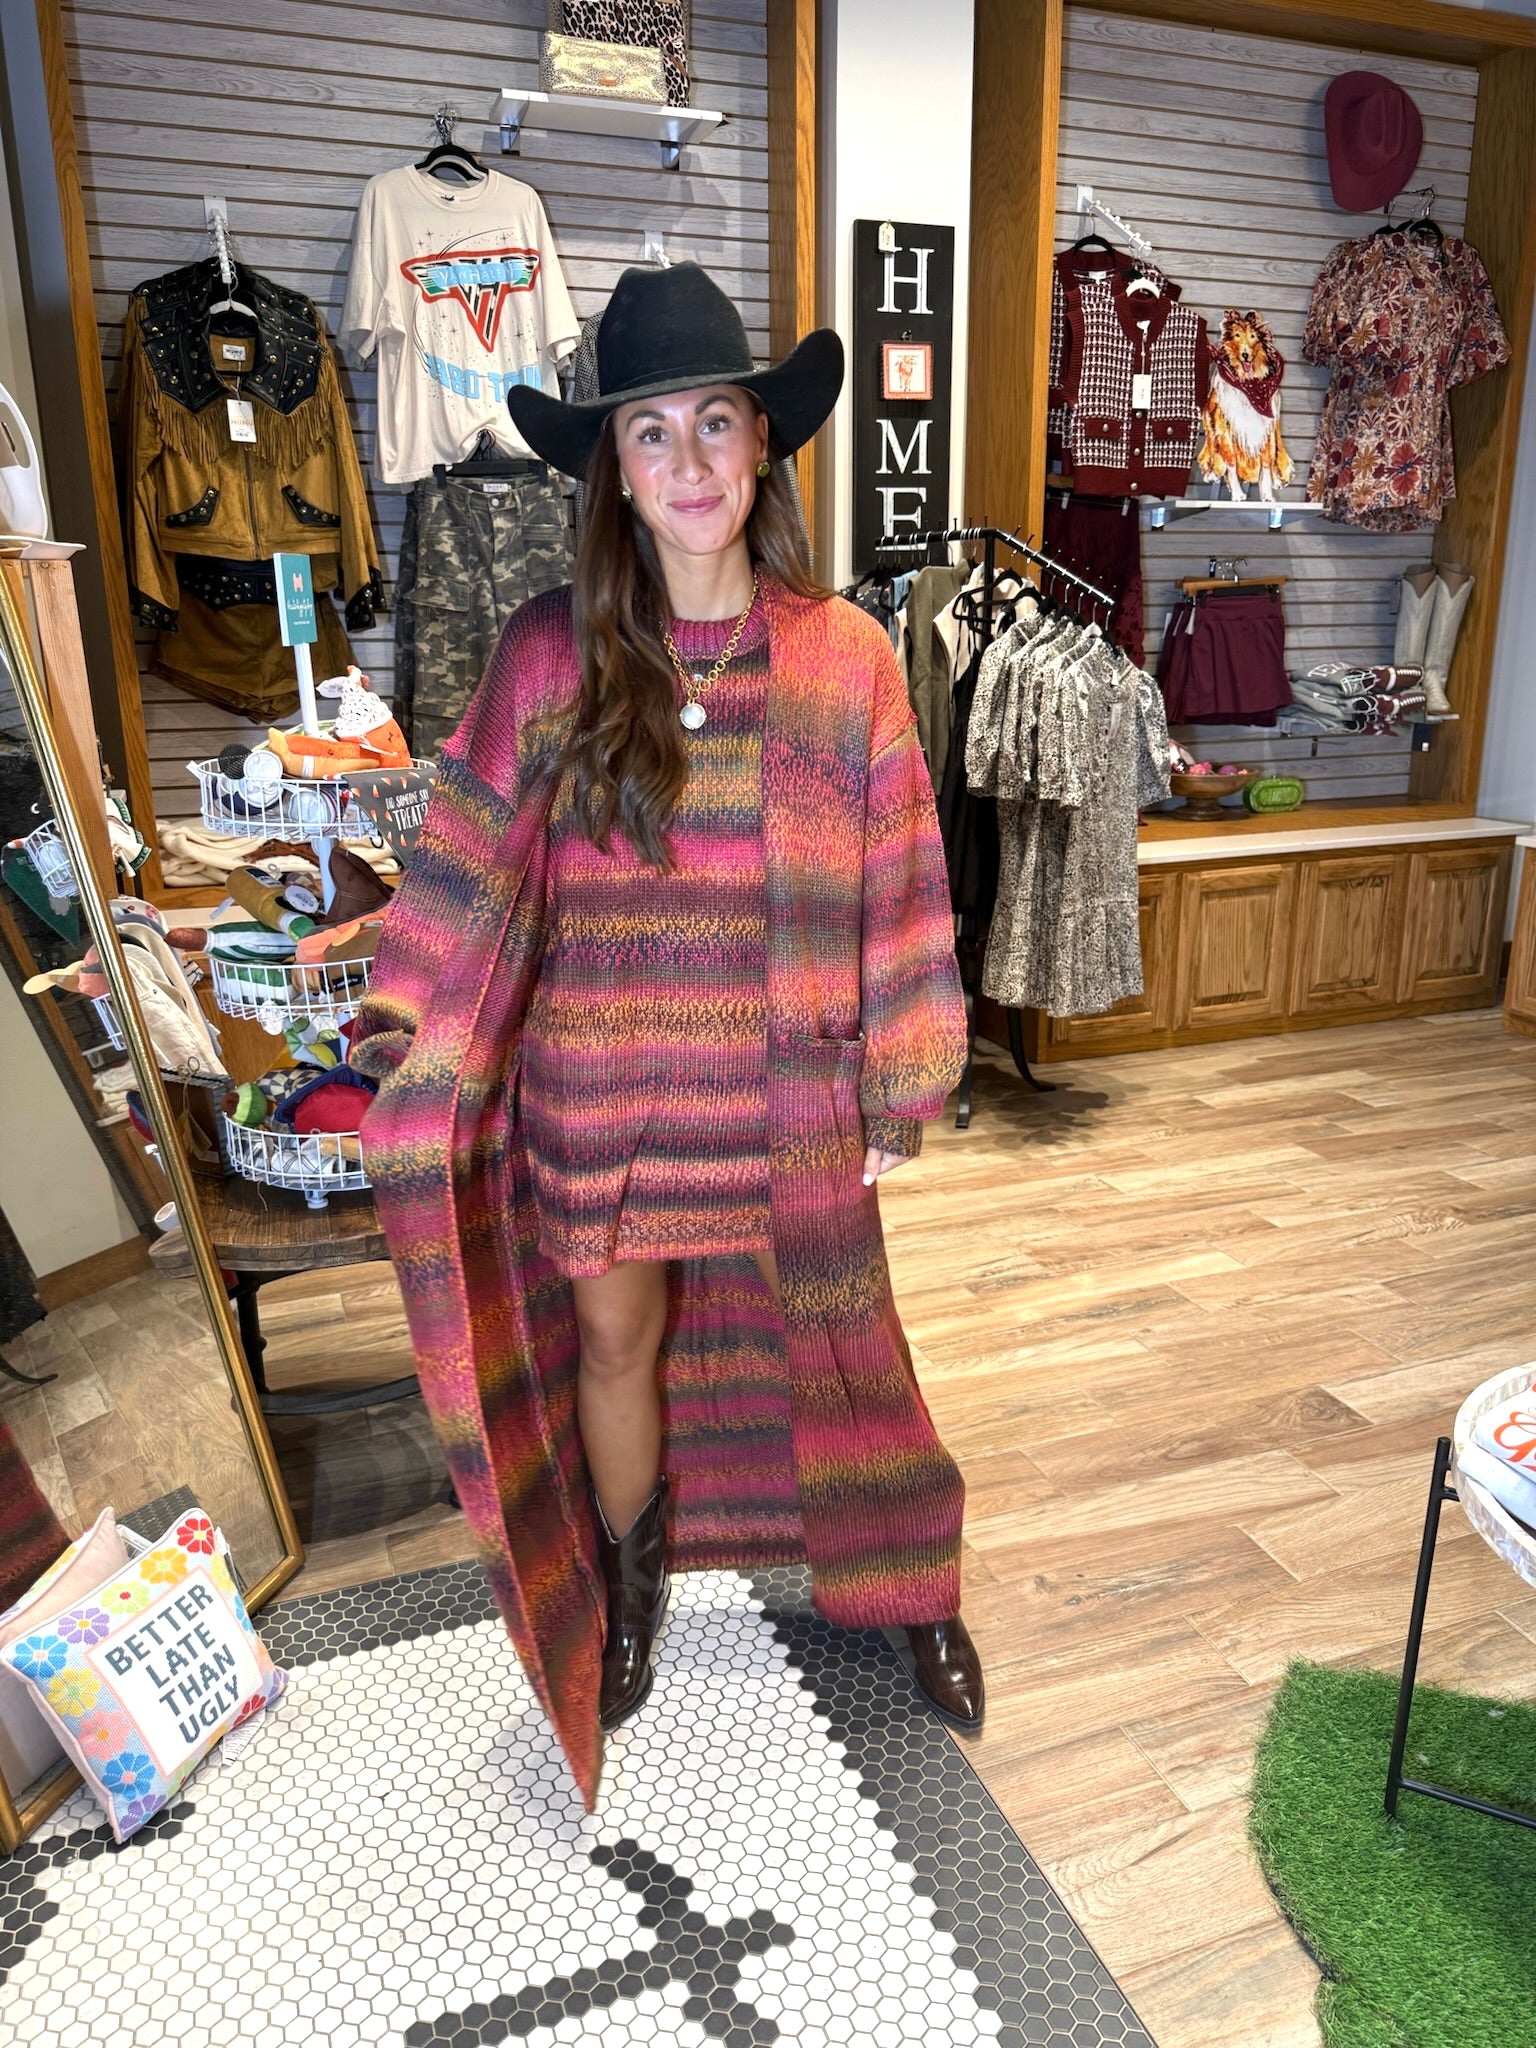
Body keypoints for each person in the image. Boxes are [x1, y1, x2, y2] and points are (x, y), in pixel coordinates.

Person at [352, 263, 982, 1809]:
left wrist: (904, 1071)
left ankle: (909, 1582)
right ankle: (630, 1592)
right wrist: (398, 1013)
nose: (689, 461)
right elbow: (468, 845)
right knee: (617, 1345)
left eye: (715, 422)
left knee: (847, 1346)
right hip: (603, 1092)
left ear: (763, 444)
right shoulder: (547, 655)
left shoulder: (846, 656)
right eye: (652, 432)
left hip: (791, 1093)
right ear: (614, 472)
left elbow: (904, 871)